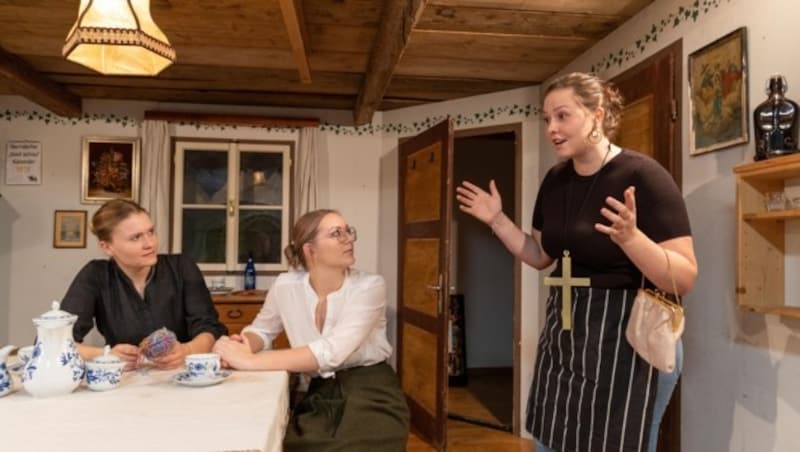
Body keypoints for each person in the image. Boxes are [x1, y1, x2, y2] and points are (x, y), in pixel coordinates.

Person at [456, 72, 697, 452]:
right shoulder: (555, 181)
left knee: (619, 444)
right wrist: (498, 221)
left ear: (596, 115)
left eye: (563, 116)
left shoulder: (643, 175)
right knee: (551, 439)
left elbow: (683, 278)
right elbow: (539, 256)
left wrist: (632, 239)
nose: (551, 128)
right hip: (566, 335)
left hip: (628, 341)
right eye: (547, 118)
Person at [213, 209, 409, 451]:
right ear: (310, 249)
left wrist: (248, 361)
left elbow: (332, 352)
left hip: (371, 386)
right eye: (336, 233)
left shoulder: (369, 287)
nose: (348, 238)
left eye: (348, 231)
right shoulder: (285, 285)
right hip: (321, 390)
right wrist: (242, 344)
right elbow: (262, 330)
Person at [61, 199, 227, 370]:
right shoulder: (95, 275)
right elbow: (55, 341)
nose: (150, 243)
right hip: (125, 382)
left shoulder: (182, 267)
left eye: (151, 232)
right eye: (136, 237)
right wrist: (106, 355)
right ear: (107, 247)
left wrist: (187, 350)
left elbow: (209, 329)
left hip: (184, 375)